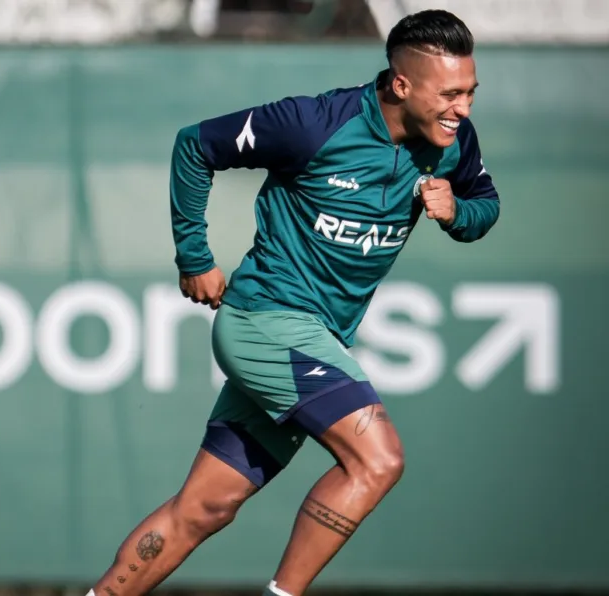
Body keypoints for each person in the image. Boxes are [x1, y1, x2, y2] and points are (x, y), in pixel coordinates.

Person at [86, 9, 500, 596]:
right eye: (450, 94)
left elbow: (486, 204)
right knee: (378, 460)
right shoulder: (314, 124)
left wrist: (458, 211)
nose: (464, 108)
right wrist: (195, 257)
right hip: (266, 322)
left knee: (202, 509)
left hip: (315, 338)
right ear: (402, 84)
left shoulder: (452, 142)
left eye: (470, 92)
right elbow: (195, 145)